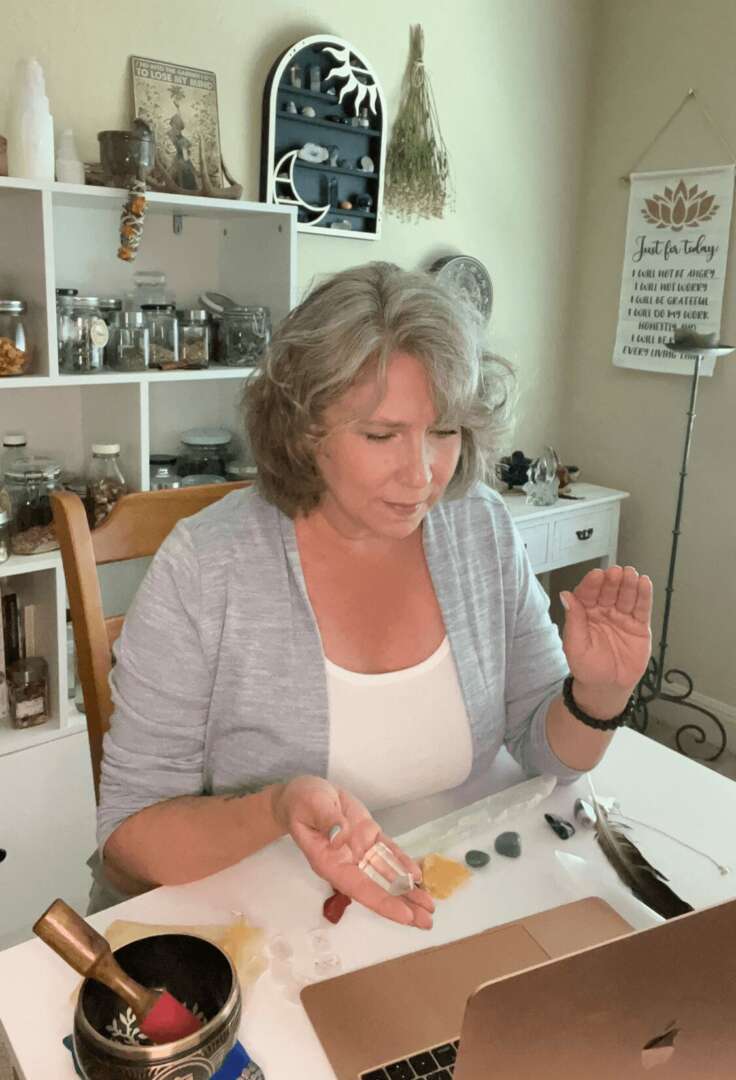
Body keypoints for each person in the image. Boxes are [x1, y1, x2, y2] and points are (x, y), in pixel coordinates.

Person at [95, 262, 653, 929]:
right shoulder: (205, 568)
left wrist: (599, 693)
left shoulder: (478, 527)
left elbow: (546, 756)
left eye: (443, 431)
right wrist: (274, 809)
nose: (422, 475)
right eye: (382, 435)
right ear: (304, 431)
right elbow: (127, 843)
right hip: (265, 926)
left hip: (444, 902)